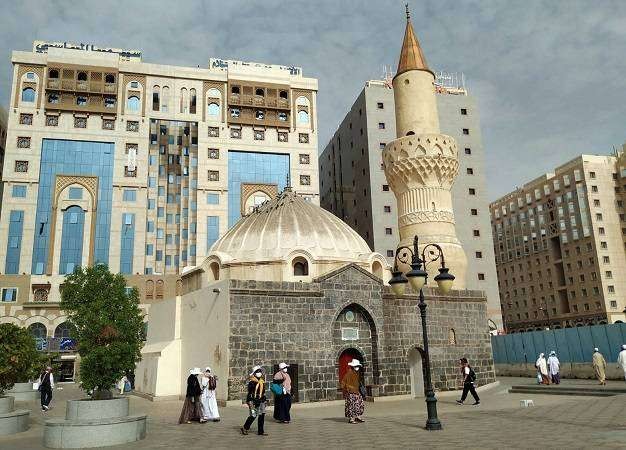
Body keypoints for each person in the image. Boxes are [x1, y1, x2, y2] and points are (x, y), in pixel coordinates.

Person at [241, 365, 268, 436]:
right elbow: (250, 393)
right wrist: (251, 401)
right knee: (253, 415)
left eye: (260, 371)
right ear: (254, 373)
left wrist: (264, 400)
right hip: (253, 400)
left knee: (262, 415)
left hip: (261, 400)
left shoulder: (262, 381)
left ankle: (261, 431)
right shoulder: (252, 382)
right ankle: (245, 428)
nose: (259, 373)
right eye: (258, 371)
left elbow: (263, 392)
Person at [340, 359, 365, 424]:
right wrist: (349, 388)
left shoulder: (357, 373)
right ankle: (351, 418)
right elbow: (343, 383)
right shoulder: (349, 373)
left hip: (356, 391)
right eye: (356, 366)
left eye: (358, 366)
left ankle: (358, 417)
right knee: (351, 405)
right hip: (351, 392)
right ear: (353, 366)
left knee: (360, 404)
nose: (357, 367)